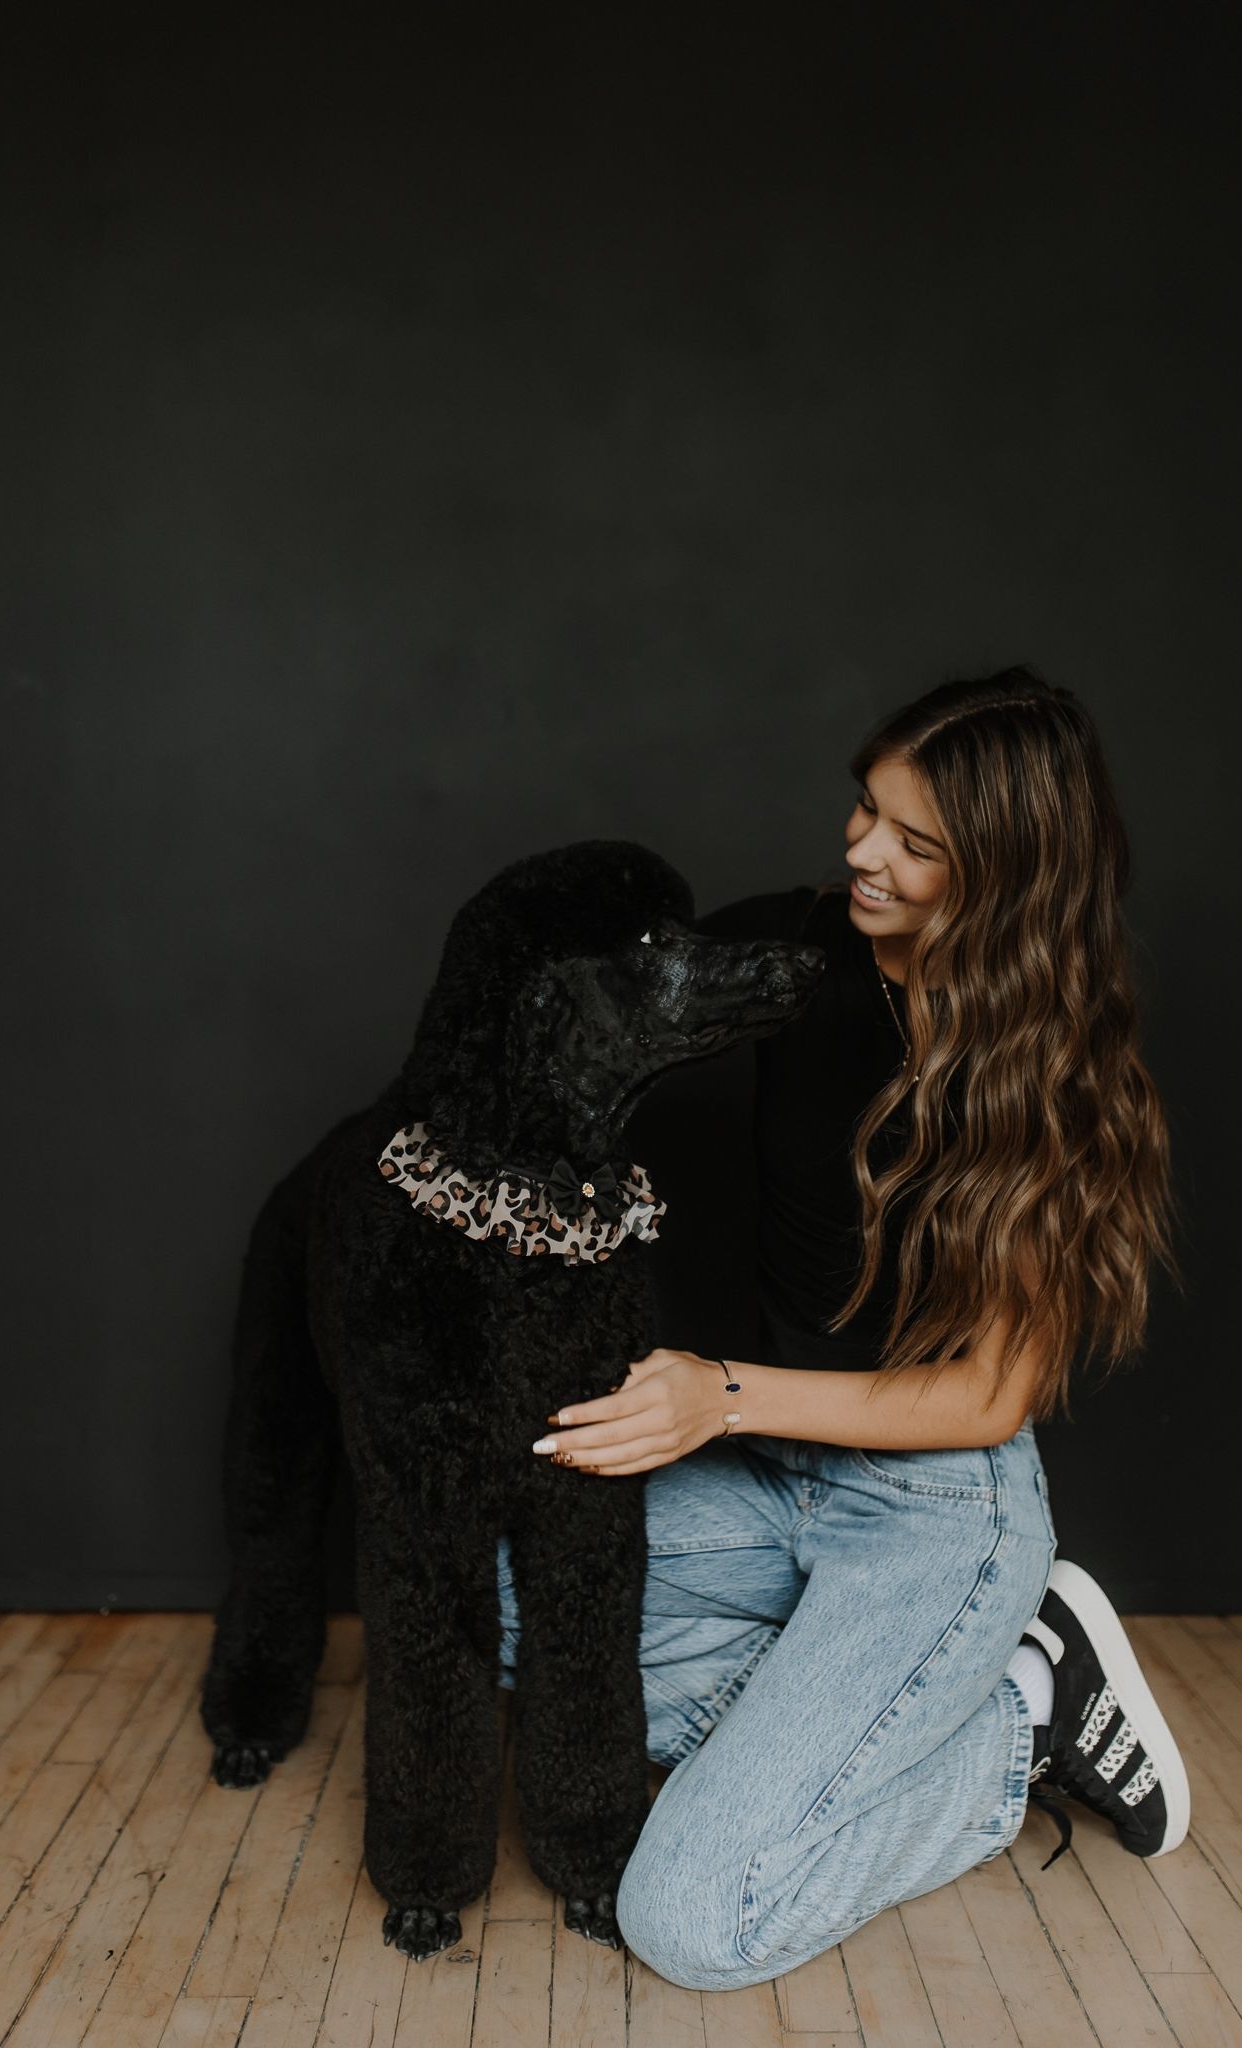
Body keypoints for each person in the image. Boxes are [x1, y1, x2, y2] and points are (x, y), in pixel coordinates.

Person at [495, 668, 1191, 1991]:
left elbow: (989, 1397)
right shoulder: (790, 951)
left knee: (692, 1925)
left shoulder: (1052, 1069)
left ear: (1005, 871)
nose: (859, 853)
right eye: (862, 811)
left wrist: (719, 1396)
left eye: (914, 845)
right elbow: (576, 1025)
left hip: (929, 1505)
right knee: (496, 1582)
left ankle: (1017, 1730)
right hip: (756, 1477)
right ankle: (923, 1701)